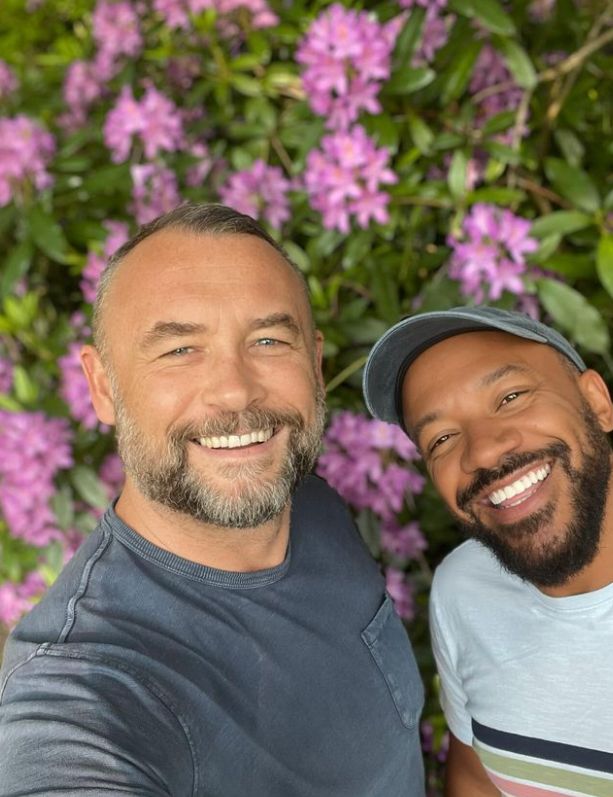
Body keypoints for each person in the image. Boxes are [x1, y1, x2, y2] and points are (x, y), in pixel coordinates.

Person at [0, 204, 425, 796]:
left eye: (270, 339)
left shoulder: (310, 500)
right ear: (102, 387)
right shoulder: (81, 686)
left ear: (316, 363)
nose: (235, 389)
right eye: (179, 350)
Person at [362, 306, 613, 797]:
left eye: (511, 397)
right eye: (442, 439)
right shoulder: (463, 589)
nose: (481, 452)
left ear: (598, 402)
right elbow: (477, 779)